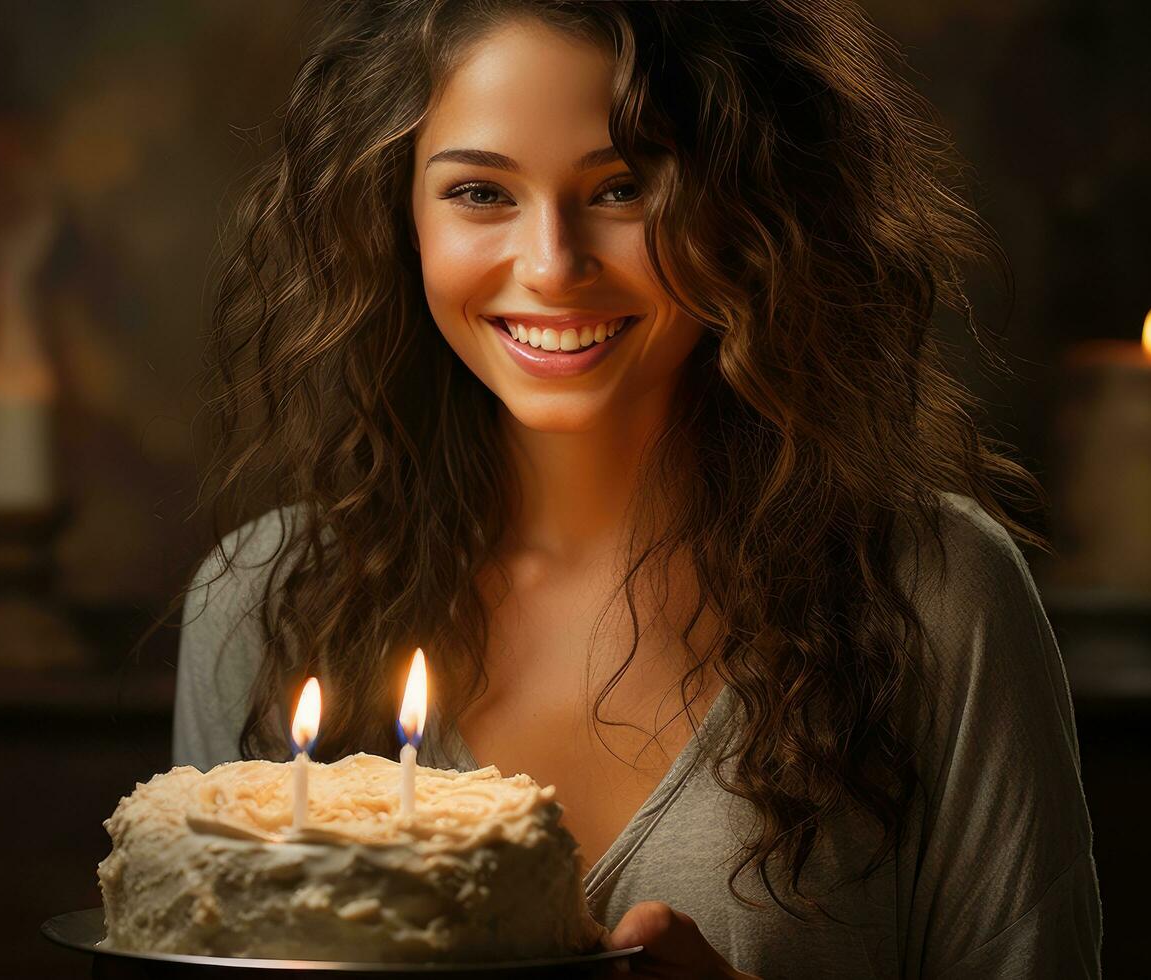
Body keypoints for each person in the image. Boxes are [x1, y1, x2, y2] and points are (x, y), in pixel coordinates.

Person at [174, 2, 1102, 977]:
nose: (552, 266)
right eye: (482, 193)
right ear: (397, 215)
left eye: (621, 187)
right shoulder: (266, 601)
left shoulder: (935, 595)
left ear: (750, 202)